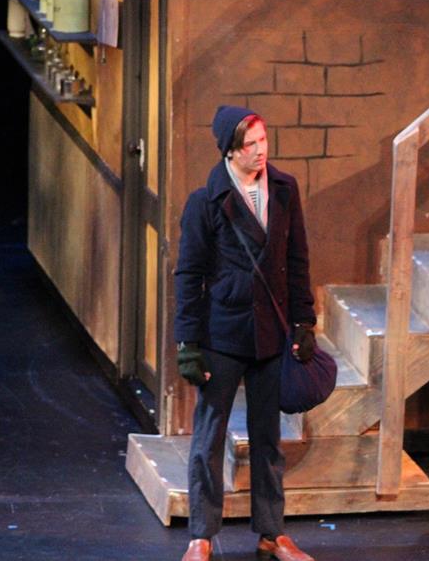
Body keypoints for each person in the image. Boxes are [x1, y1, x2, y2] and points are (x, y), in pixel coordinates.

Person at [174, 105, 318, 561]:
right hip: (223, 333)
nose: (260, 151)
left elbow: (297, 260)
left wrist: (304, 322)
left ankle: (272, 533)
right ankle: (201, 535)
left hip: (271, 333)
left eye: (263, 140)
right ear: (230, 151)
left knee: (268, 436)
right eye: (250, 144)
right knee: (209, 435)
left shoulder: (284, 189)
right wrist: (188, 343)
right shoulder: (206, 201)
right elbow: (189, 274)